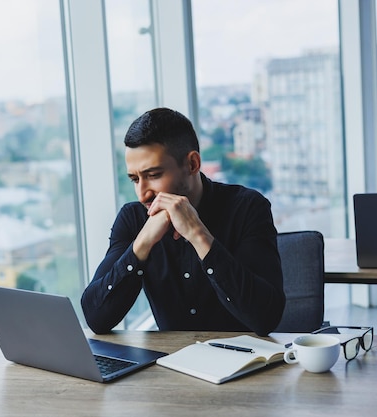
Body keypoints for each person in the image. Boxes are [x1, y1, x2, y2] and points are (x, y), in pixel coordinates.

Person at [81, 107, 285, 336]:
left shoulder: (248, 207)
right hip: (169, 364)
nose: (142, 194)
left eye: (153, 175)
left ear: (192, 164)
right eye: (134, 179)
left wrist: (198, 235)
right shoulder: (132, 218)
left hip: (245, 363)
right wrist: (143, 243)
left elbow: (266, 318)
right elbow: (96, 318)